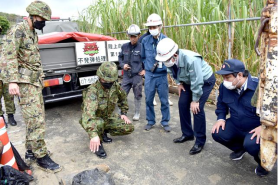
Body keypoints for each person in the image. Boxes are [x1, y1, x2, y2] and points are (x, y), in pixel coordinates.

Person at [0, 1, 61, 172]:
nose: (44, 22)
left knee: (34, 119)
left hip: (33, 82)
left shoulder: (32, 32)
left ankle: (31, 151)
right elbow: (8, 55)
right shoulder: (18, 30)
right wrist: (12, 80)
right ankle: (41, 156)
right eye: (42, 18)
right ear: (33, 16)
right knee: (36, 120)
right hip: (25, 84)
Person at [156, 38, 215, 155]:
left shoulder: (191, 60)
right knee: (182, 103)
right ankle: (187, 134)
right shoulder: (170, 60)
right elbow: (170, 70)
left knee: (197, 109)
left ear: (175, 55)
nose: (165, 62)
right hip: (187, 81)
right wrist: (179, 83)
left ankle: (200, 141)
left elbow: (197, 81)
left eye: (167, 59)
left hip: (204, 80)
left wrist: (195, 100)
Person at [211, 59, 268, 177]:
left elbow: (274, 112)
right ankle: (240, 148)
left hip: (255, 128)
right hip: (236, 124)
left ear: (240, 75)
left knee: (252, 145)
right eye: (223, 78)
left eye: (227, 77)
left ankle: (264, 164)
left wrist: (264, 127)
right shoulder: (224, 87)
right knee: (217, 133)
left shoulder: (260, 88)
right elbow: (221, 104)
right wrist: (220, 118)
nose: (224, 81)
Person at [80, 61, 134, 159]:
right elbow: (88, 115)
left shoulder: (115, 86)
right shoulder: (92, 91)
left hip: (107, 117)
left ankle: (103, 132)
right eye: (105, 81)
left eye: (111, 81)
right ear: (100, 77)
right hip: (94, 120)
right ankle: (98, 142)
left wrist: (123, 113)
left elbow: (123, 98)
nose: (108, 83)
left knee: (128, 127)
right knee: (99, 122)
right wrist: (93, 135)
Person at [141, 13, 171, 132]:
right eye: (150, 27)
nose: (152, 29)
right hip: (149, 75)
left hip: (162, 75)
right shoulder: (145, 40)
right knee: (148, 99)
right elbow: (143, 57)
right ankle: (150, 121)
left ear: (160, 26)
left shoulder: (166, 40)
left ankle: (165, 122)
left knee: (164, 100)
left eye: (154, 27)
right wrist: (146, 67)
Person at [119, 24, 144, 121]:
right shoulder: (124, 46)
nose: (133, 38)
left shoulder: (142, 47)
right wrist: (122, 65)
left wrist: (145, 70)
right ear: (128, 36)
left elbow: (147, 59)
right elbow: (120, 58)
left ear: (139, 35)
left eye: (135, 36)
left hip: (137, 76)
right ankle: (122, 113)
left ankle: (137, 113)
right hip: (126, 76)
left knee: (137, 94)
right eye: (131, 36)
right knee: (122, 94)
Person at [0, 26, 17, 128]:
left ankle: (11, 116)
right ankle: (1, 118)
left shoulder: (5, 41)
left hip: (6, 74)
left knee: (9, 97)